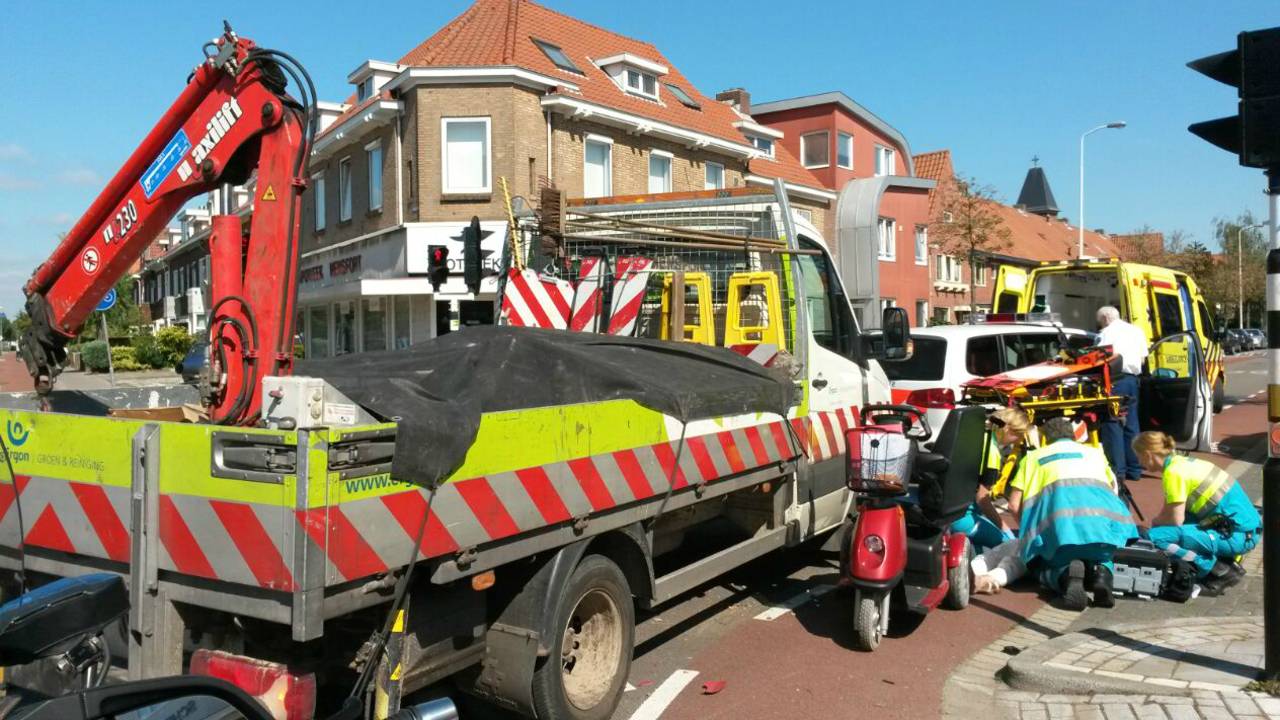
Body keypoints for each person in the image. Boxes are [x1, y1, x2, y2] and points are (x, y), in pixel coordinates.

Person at [1007, 417, 1138, 610]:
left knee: (1041, 568)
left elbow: (1013, 505)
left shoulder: (1032, 459)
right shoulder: (1095, 453)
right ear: (1073, 435)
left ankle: (1065, 576)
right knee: (1103, 556)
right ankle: (1103, 575)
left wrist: (1029, 535)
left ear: (1046, 437)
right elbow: (1112, 489)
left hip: (1061, 539)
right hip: (1103, 534)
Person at [1134, 431, 1259, 595]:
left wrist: (1155, 525)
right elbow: (1173, 510)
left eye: (1139, 456)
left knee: (1156, 537)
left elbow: (1176, 519)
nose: (1138, 462)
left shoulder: (1173, 473)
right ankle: (1225, 562)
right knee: (1177, 528)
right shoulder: (1184, 463)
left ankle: (1216, 570)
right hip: (1245, 532)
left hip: (1236, 537)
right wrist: (1160, 521)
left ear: (1148, 454)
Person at [951, 407, 1029, 553]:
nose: (1019, 441)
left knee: (979, 550)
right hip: (964, 519)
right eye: (1019, 436)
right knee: (1010, 546)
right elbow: (982, 499)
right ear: (1008, 430)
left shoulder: (975, 436)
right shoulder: (992, 453)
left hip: (948, 512)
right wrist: (1005, 529)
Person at [1096, 306, 1148, 483]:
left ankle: (1118, 472)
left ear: (1105, 319)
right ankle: (1135, 469)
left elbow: (1100, 358)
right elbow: (1142, 359)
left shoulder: (1105, 333)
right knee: (1132, 424)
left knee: (1113, 424)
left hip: (1114, 380)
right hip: (1133, 380)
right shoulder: (1137, 331)